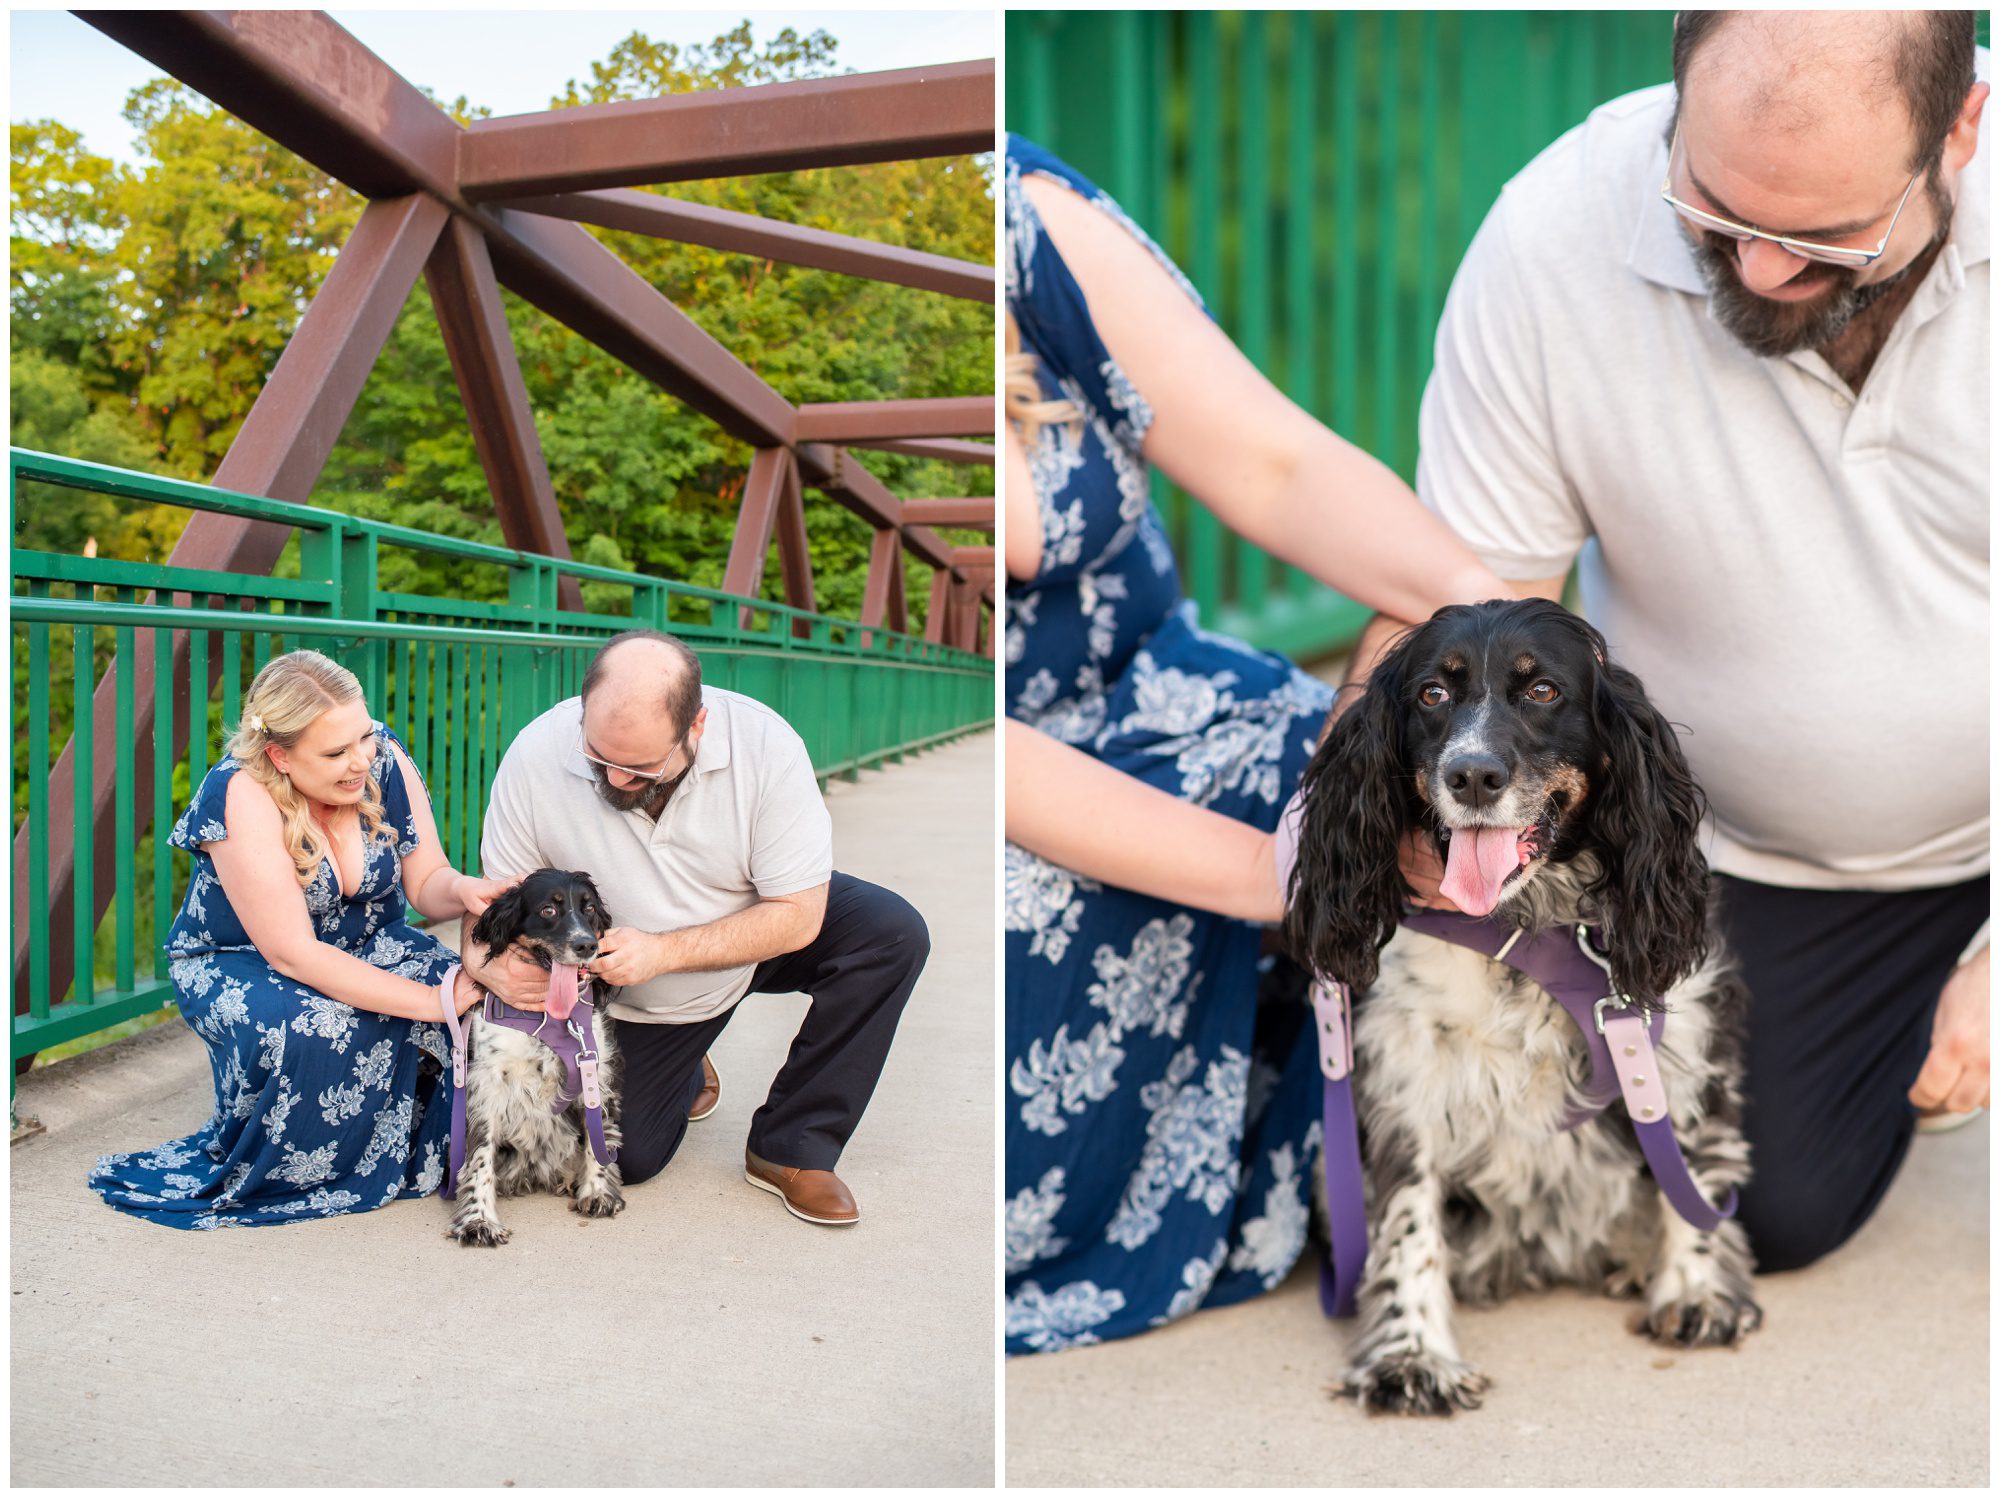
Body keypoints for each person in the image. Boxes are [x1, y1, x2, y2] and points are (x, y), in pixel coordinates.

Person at [1346, 10, 1989, 1272]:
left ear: (1960, 134)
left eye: (1821, 235)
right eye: (1713, 205)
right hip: (1742, 849)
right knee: (1751, 1207)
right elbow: (1485, 606)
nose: (1754, 272)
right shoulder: (1551, 231)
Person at [1002, 136, 1511, 1352]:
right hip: (1006, 762)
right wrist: (1282, 872)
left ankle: (1440, 1159)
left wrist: (1472, 618)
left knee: (1353, 761)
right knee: (1036, 913)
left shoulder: (1017, 216)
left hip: (1159, 682)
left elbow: (1273, 466)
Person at [461, 629, 928, 1227]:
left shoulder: (766, 747)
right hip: (625, 988)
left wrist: (664, 952)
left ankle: (792, 1147)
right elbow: (495, 904)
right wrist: (488, 969)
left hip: (746, 929)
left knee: (891, 932)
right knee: (629, 1158)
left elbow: (799, 913)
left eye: (640, 766)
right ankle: (688, 1058)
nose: (618, 779)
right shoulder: (536, 754)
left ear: (697, 727)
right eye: (599, 758)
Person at [88, 650, 512, 1228]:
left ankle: (415, 1142)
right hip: (244, 959)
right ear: (278, 755)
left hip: (367, 940)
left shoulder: (381, 758)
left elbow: (427, 884)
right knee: (323, 1026)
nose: (361, 760)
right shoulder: (239, 791)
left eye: (363, 737)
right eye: (336, 752)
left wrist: (465, 889)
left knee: (483, 1000)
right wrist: (431, 1002)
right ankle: (308, 1164)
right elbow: (292, 952)